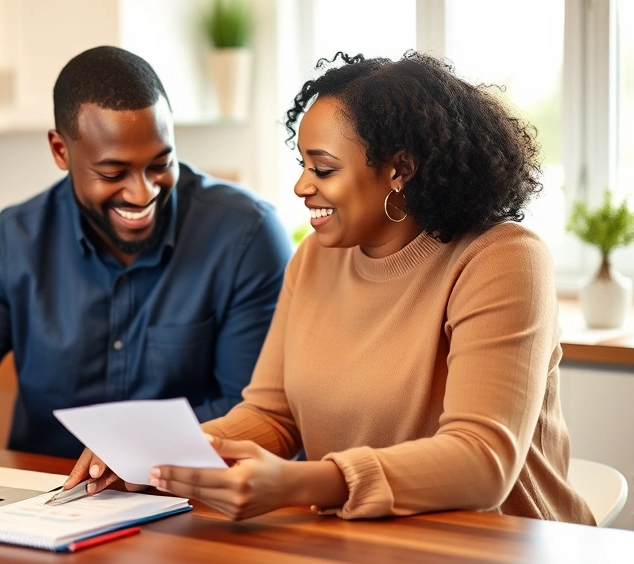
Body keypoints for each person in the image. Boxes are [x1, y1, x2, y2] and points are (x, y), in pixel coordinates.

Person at [65, 51, 596, 525]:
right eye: (302, 164)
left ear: (400, 171)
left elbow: (482, 463)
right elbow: (272, 416)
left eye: (322, 167)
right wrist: (166, 454)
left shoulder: (501, 259)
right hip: (365, 545)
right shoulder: (315, 258)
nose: (301, 185)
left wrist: (302, 483)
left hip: (508, 548)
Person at [0, 46, 291, 459]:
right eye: (113, 171)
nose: (143, 192)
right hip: (47, 505)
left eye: (160, 164)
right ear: (60, 151)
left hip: (196, 504)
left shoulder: (245, 236)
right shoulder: (13, 244)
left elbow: (256, 415)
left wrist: (130, 456)